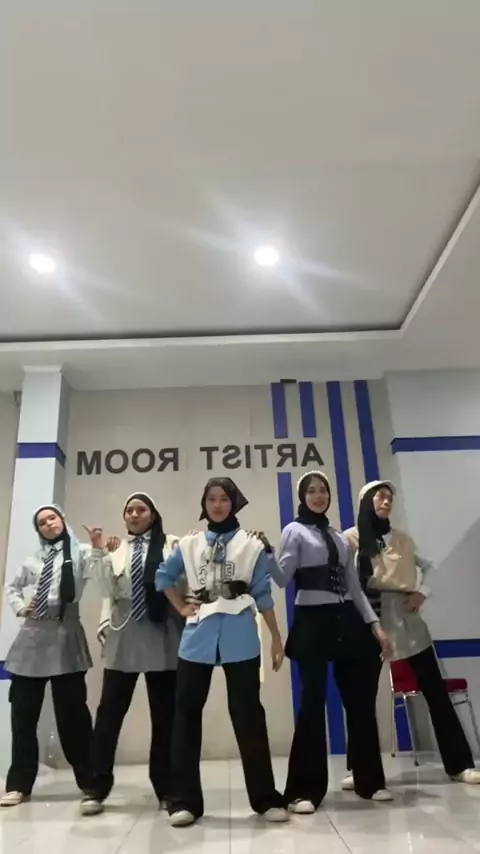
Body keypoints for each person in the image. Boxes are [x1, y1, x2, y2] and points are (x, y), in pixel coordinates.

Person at [155, 476, 288, 828]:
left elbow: (263, 594)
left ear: (234, 502)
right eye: (211, 499)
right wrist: (180, 607)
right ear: (204, 503)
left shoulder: (252, 545)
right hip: (196, 638)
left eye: (224, 498)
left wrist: (276, 638)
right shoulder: (189, 544)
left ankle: (265, 797)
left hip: (240, 637)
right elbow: (163, 577)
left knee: (248, 716)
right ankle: (183, 800)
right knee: (185, 716)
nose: (217, 505)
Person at [344, 480, 480, 786]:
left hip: (405, 617)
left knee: (435, 691)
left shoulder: (403, 539)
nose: (386, 502)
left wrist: (422, 593)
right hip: (369, 618)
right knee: (361, 698)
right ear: (365, 501)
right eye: (380, 496)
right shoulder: (351, 538)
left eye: (390, 498)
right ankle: (360, 769)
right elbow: (345, 578)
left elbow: (431, 566)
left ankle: (459, 764)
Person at [271, 471, 392, 814]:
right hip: (312, 622)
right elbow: (282, 578)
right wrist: (265, 553)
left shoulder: (340, 537)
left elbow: (353, 586)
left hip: (347, 619)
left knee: (360, 702)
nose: (318, 495)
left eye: (323, 490)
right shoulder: (293, 531)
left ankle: (370, 781)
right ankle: (304, 791)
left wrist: (375, 626)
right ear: (302, 496)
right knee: (312, 702)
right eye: (311, 490)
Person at [80, 493, 183, 816]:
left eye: (141, 509)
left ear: (153, 514)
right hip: (124, 635)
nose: (135, 515)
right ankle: (96, 786)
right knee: (109, 715)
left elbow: (185, 577)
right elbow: (107, 590)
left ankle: (167, 787)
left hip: (162, 635)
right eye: (130, 510)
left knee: (165, 717)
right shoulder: (116, 549)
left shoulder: (172, 544)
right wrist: (98, 551)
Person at [1, 505, 93, 808]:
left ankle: (90, 781)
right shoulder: (34, 559)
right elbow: (12, 587)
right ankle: (19, 784)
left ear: (62, 519)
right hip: (32, 637)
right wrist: (20, 607)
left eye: (52, 518)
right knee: (23, 714)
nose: (48, 524)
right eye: (41, 522)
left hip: (65, 636)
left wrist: (99, 547)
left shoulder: (82, 553)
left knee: (73, 714)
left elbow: (96, 572)